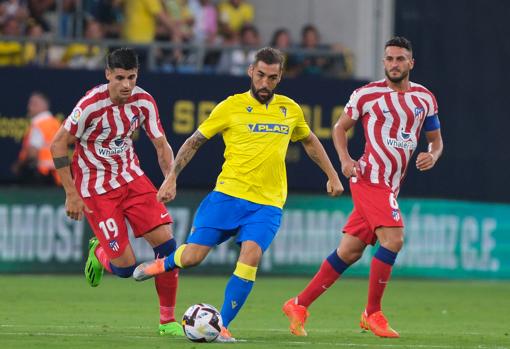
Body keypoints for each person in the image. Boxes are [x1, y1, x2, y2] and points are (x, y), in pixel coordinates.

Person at [133, 47, 344, 342]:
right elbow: (194, 142)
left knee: (251, 255)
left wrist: (333, 175)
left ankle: (223, 324)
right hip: (227, 196)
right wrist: (171, 178)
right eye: (260, 75)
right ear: (250, 72)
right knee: (192, 257)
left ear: (280, 77)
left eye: (272, 78)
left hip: (267, 204)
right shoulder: (230, 107)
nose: (265, 83)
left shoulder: (290, 109)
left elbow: (309, 142)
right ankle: (162, 264)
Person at [282, 36, 444, 338]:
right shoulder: (367, 95)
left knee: (349, 251)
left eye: (400, 59)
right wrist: (344, 160)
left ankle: (298, 304)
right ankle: (372, 312)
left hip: (392, 185)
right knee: (393, 240)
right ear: (383, 62)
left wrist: (432, 155)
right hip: (370, 178)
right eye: (389, 59)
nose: (394, 64)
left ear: (411, 63)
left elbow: (436, 140)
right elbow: (339, 127)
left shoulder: (425, 98)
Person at [50, 48, 184, 337]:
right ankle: (98, 252)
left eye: (132, 77)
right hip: (96, 189)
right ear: (108, 74)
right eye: (120, 77)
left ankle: (167, 322)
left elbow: (160, 144)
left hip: (132, 178)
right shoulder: (90, 105)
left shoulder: (144, 101)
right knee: (125, 268)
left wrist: (170, 178)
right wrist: (71, 194)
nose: (126, 84)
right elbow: (58, 144)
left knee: (168, 247)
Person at [12, 92, 61, 185]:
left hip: (41, 176)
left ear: (44, 106)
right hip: (58, 176)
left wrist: (19, 165)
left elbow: (32, 154)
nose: (29, 107)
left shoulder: (39, 124)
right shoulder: (56, 123)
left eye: (34, 104)